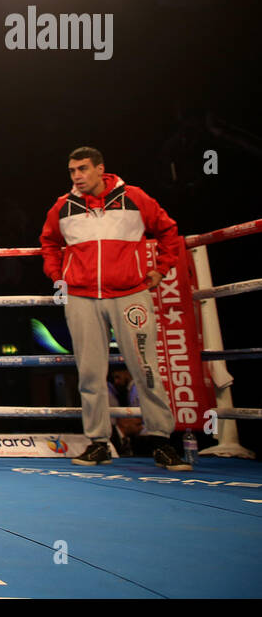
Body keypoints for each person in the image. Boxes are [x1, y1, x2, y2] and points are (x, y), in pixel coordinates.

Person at [40, 146, 191, 470]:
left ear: (100, 169)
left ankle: (163, 442)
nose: (77, 176)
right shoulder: (63, 206)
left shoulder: (135, 197)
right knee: (90, 373)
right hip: (81, 296)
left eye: (82, 169)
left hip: (129, 293)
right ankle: (98, 443)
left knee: (146, 369)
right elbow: (49, 242)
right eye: (72, 171)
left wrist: (161, 269)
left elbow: (168, 231)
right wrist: (57, 276)